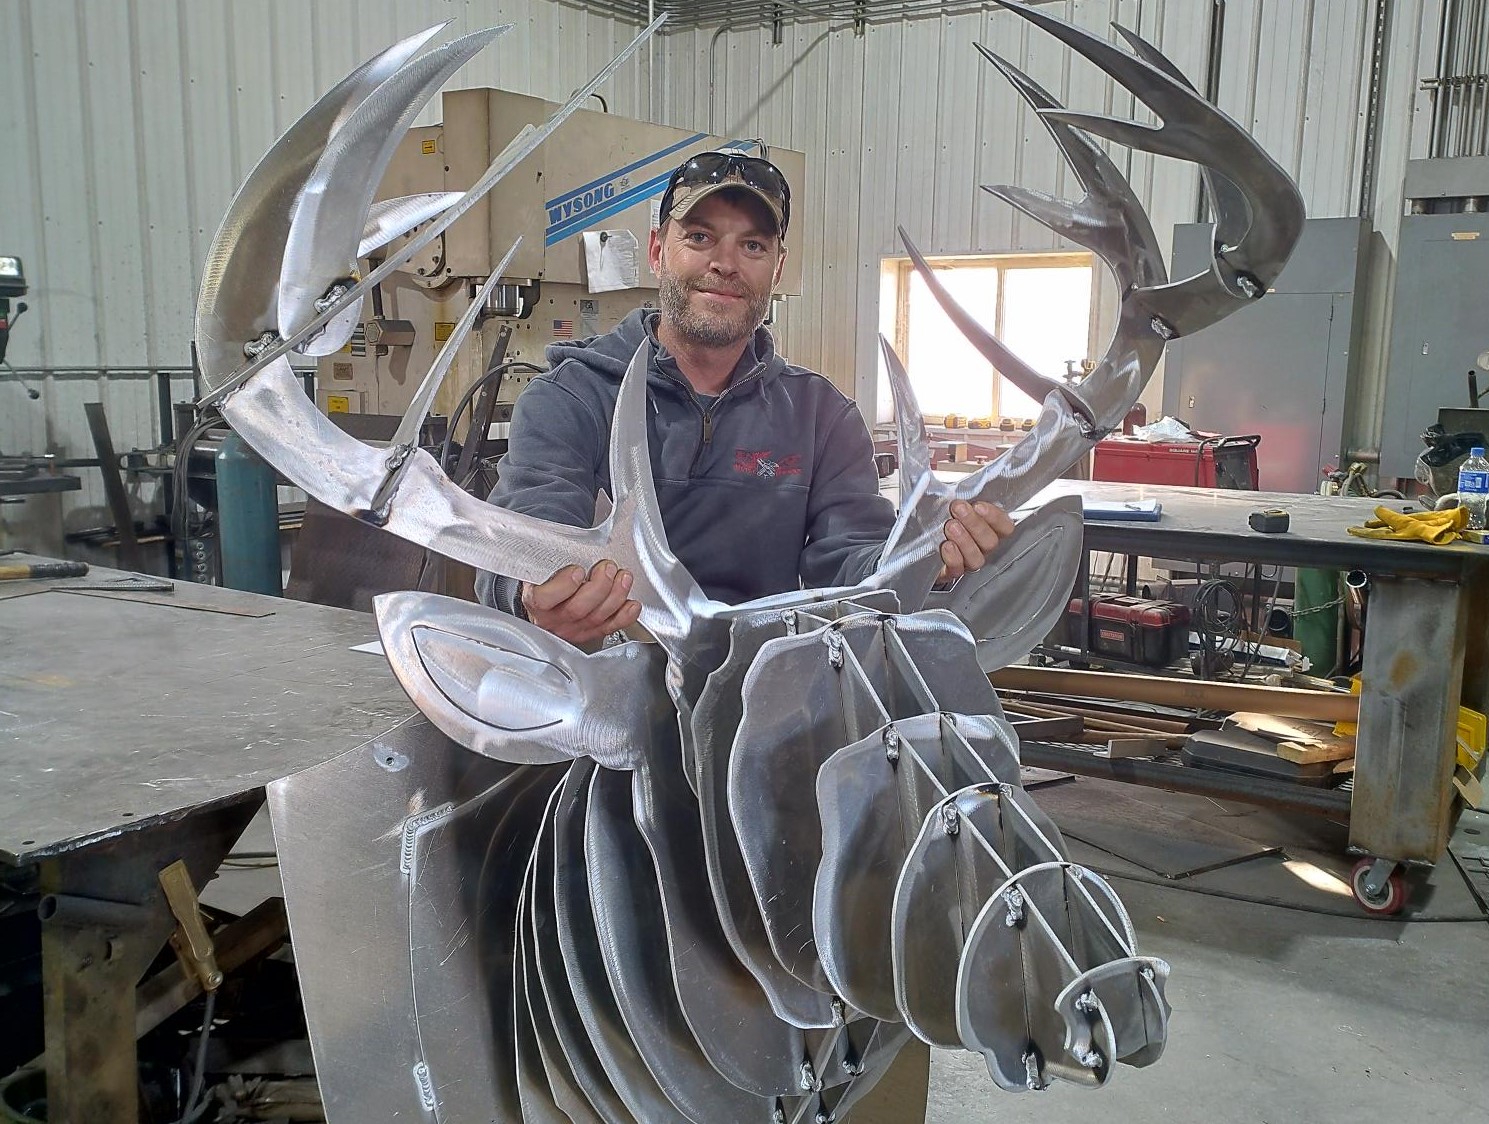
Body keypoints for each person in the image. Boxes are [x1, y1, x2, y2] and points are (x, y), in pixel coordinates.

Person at [479, 151, 1013, 646]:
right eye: (700, 238)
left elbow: (851, 566)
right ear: (658, 251)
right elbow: (525, 532)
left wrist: (922, 555)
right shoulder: (572, 397)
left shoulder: (821, 417)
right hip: (604, 700)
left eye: (752, 245)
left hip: (760, 696)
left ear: (777, 269)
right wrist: (531, 593)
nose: (726, 264)